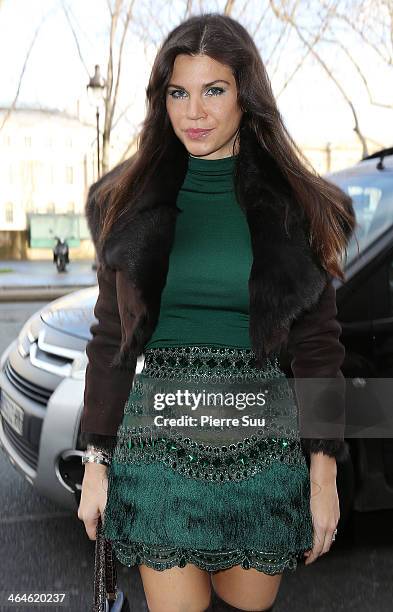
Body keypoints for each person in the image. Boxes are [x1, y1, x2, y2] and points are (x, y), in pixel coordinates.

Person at [77, 12, 356, 612]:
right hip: (159, 447)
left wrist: (323, 472)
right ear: (162, 98)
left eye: (214, 90)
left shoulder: (297, 206)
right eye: (179, 92)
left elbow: (319, 348)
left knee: (249, 604)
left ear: (245, 96)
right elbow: (108, 342)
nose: (193, 112)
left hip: (261, 445)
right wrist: (96, 460)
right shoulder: (126, 201)